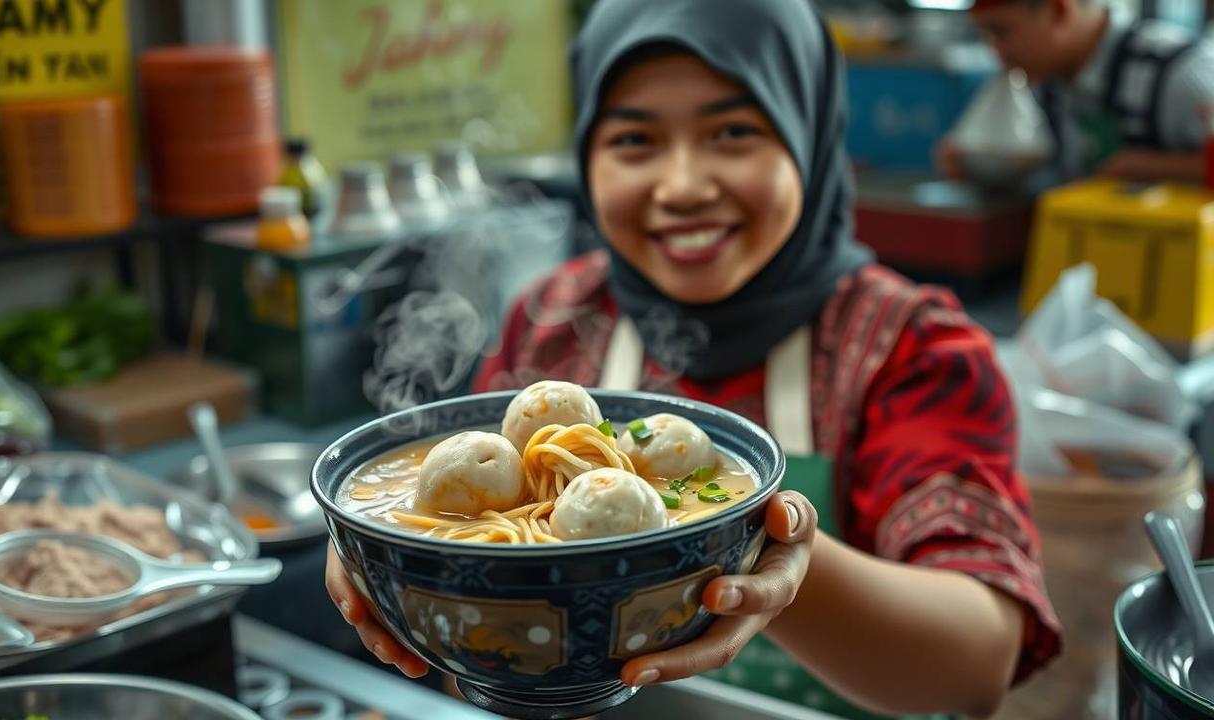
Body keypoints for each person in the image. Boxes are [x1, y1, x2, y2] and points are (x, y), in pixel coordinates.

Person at [326, 0, 1063, 717]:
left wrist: (759, 547)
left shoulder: (913, 348)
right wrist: (401, 554)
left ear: (808, 134)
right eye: (635, 142)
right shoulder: (554, 319)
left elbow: (980, 663)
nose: (681, 187)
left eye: (734, 131)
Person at [938, 0, 1214, 184]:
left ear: (1060, 12)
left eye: (1001, 33)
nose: (996, 53)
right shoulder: (1045, 80)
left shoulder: (1176, 72)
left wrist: (1153, 169)